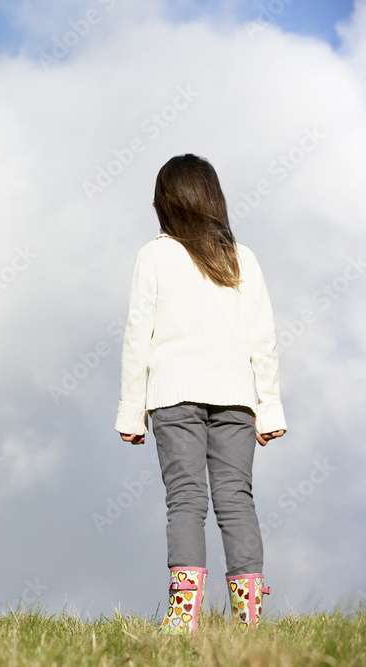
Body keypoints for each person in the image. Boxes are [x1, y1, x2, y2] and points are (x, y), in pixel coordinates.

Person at [113, 154, 287, 634]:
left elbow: (137, 337)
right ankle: (249, 620)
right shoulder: (241, 257)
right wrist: (269, 407)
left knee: (186, 499)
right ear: (214, 200)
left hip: (174, 397)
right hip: (236, 398)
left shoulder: (153, 256)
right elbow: (263, 338)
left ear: (163, 204)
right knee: (237, 499)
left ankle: (182, 616)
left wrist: (132, 412)